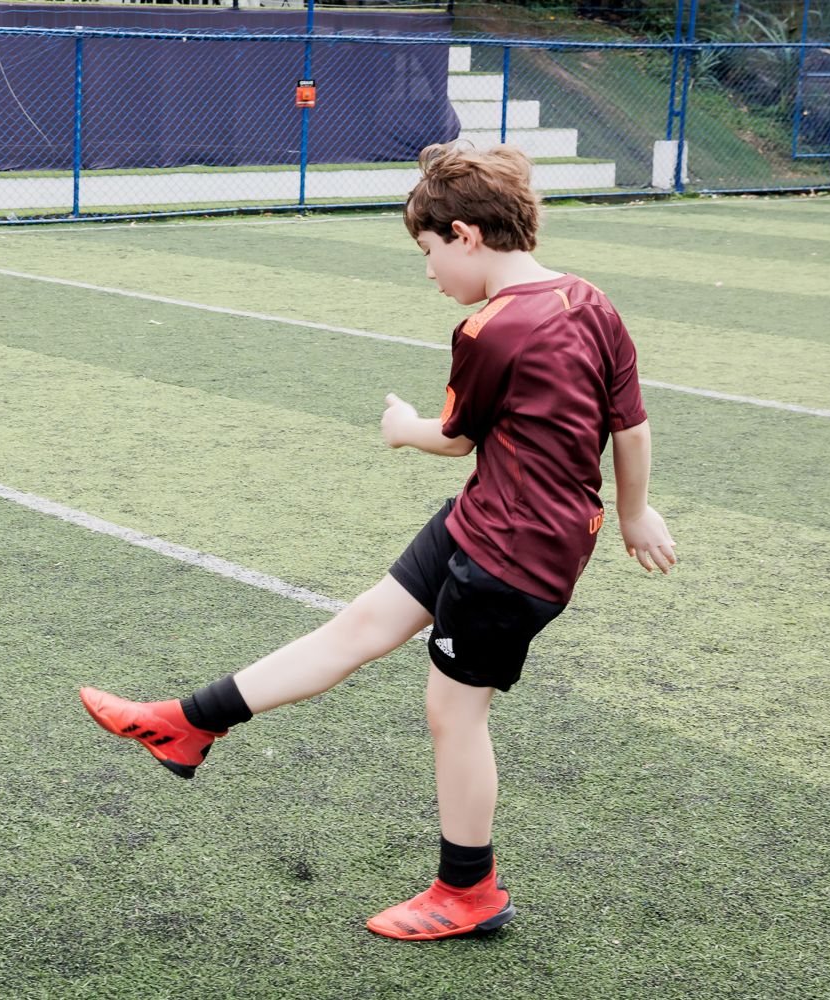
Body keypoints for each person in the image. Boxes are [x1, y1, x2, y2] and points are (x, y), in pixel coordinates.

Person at [80, 142, 677, 941]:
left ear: (465, 234)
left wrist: (404, 429)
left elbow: (456, 438)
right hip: (487, 520)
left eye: (428, 253)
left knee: (453, 714)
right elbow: (629, 426)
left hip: (513, 556)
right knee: (360, 625)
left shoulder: (489, 330)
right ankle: (188, 723)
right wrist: (636, 511)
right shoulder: (591, 301)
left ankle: (468, 892)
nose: (429, 272)